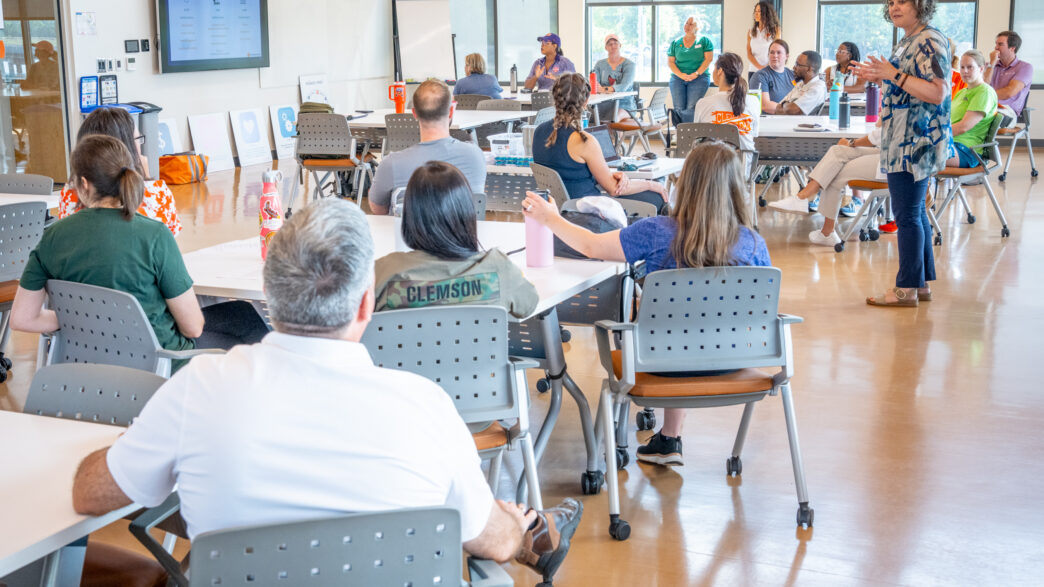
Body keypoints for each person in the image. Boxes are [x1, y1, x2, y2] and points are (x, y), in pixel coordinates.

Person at [69, 198, 583, 583]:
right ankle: (541, 533)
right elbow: (489, 541)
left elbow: (90, 492)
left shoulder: (199, 389)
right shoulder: (423, 406)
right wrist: (516, 527)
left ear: (268, 295)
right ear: (366, 306)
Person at [520, 143, 770, 466]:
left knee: (662, 322)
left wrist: (550, 218)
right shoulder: (754, 245)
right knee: (690, 321)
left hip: (663, 361)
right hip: (735, 358)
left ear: (686, 186)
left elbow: (592, 246)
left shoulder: (656, 232)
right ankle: (669, 439)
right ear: (736, 189)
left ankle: (658, 442)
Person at [10, 135, 269, 358]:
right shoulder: (153, 234)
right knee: (246, 318)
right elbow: (193, 329)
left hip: (87, 357)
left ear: (84, 184)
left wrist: (88, 319)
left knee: (239, 313)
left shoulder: (53, 237)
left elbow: (23, 318)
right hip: (160, 359)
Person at [853, 0, 951, 307]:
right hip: (900, 140)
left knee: (906, 216)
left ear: (921, 6)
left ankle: (906, 289)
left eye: (902, 2)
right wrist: (880, 76)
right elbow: (904, 84)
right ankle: (921, 285)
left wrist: (893, 76)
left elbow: (938, 93)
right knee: (915, 212)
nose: (894, 7)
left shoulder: (929, 40)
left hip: (915, 142)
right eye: (891, 2)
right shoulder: (908, 40)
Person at [375, 162, 538, 318]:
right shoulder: (500, 270)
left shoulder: (383, 272)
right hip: (479, 348)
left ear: (411, 215)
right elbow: (529, 304)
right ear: (467, 212)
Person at [532, 73, 667, 211]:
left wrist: (609, 175)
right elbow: (614, 189)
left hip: (555, 210)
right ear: (586, 102)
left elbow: (567, 171)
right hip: (588, 212)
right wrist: (651, 184)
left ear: (555, 98)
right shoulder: (584, 141)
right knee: (656, 197)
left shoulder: (538, 132)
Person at [59, 106, 183, 236]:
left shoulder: (70, 195)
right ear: (125, 147)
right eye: (137, 139)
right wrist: (148, 179)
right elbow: (168, 241)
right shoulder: (157, 195)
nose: (140, 145)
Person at [369, 79, 486, 215]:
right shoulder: (475, 156)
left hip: (407, 236)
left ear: (414, 113)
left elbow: (377, 209)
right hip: (460, 235)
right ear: (451, 111)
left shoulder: (391, 164)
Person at [795, 128, 883, 247]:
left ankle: (808, 198)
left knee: (836, 170)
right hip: (886, 150)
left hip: (894, 160)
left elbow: (880, 133)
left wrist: (852, 143)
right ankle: (808, 194)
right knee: (838, 151)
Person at [691, 52, 761, 153]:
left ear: (720, 71)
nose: (713, 72)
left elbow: (697, 137)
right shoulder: (754, 101)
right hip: (744, 165)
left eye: (714, 68)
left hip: (714, 166)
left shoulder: (703, 103)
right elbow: (754, 134)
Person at [946, 49, 998, 168]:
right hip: (952, 143)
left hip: (966, 151)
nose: (964, 71)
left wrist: (934, 135)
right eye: (962, 67)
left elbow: (963, 127)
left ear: (981, 68)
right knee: (908, 149)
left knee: (916, 154)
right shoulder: (962, 92)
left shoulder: (984, 92)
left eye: (970, 67)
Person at [667, 16, 715, 123]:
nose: (687, 26)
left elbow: (709, 59)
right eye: (686, 23)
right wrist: (681, 75)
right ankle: (679, 134)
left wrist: (696, 74)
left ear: (697, 27)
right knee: (678, 107)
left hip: (699, 77)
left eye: (691, 24)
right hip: (678, 78)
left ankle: (689, 135)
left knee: (691, 107)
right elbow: (671, 62)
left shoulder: (704, 41)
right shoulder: (675, 42)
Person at [985, 30, 1033, 121]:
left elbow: (1009, 92)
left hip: (1007, 111)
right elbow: (982, 87)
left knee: (980, 118)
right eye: (996, 44)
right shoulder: (989, 66)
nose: (996, 48)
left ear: (1012, 48)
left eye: (1000, 44)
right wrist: (991, 64)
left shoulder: (1025, 67)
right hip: (987, 107)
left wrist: (984, 95)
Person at [593, 33, 636, 121]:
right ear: (606, 48)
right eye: (609, 44)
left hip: (624, 104)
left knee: (614, 117)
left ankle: (614, 135)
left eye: (615, 43)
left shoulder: (629, 65)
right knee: (589, 117)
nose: (613, 46)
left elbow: (624, 86)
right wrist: (596, 87)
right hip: (604, 103)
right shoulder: (599, 64)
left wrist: (604, 89)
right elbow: (595, 83)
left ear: (620, 45)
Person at [751, 39, 796, 114]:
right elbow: (765, 105)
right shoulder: (760, 76)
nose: (775, 55)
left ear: (787, 56)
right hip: (769, 121)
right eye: (772, 52)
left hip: (790, 119)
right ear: (768, 55)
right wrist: (792, 110)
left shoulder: (793, 75)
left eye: (779, 52)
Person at [777, 50, 827, 115]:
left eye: (798, 65)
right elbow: (777, 108)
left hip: (803, 124)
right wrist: (787, 106)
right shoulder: (800, 84)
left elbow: (795, 110)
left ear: (809, 69)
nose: (794, 67)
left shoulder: (818, 87)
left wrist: (785, 104)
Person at [747, 2, 780, 73]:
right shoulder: (751, 31)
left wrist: (766, 67)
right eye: (755, 11)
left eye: (759, 11)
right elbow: (749, 53)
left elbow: (777, 51)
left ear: (766, 13)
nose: (756, 14)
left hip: (769, 70)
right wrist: (760, 67)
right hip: (753, 70)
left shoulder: (775, 30)